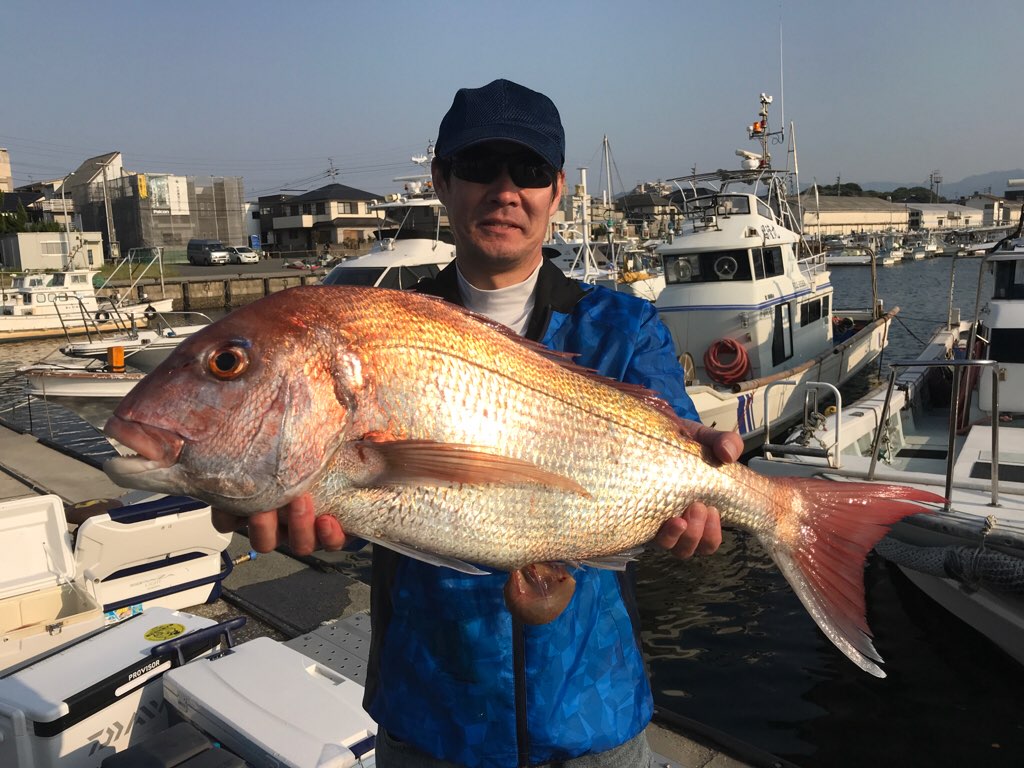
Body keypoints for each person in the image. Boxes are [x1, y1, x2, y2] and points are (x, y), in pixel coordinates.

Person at [215, 78, 742, 768]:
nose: (504, 190)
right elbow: (371, 510)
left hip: (592, 715)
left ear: (557, 189)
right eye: (477, 166)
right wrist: (275, 499)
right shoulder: (381, 326)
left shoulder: (623, 326)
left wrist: (702, 483)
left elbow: (669, 437)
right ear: (441, 180)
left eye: (527, 171)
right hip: (431, 720)